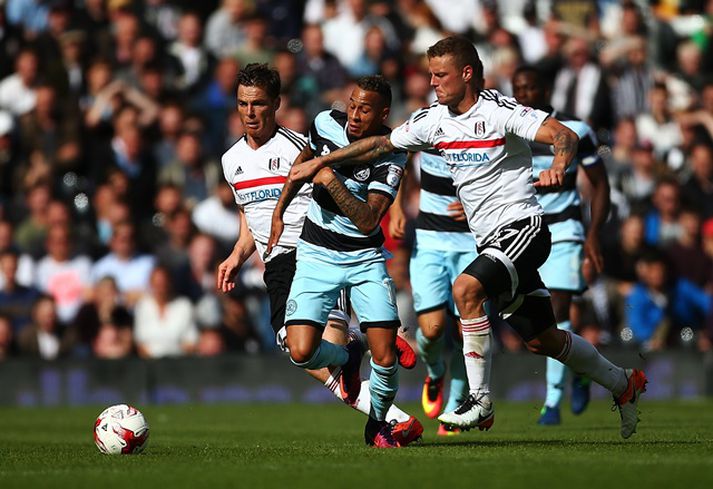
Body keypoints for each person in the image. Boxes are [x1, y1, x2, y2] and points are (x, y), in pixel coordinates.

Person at [288, 36, 647, 439]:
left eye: (440, 75)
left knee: (466, 290)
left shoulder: (498, 111)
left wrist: (561, 164)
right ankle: (624, 383)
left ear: (467, 73)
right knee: (542, 339)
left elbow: (564, 135)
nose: (433, 82)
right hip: (489, 240)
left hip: (523, 228)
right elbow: (379, 145)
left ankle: (480, 400)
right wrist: (322, 161)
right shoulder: (433, 120)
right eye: (430, 74)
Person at [216, 64, 420, 448]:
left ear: (276, 104)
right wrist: (236, 255)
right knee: (302, 350)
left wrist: (391, 208)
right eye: (243, 103)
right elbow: (252, 218)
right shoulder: (231, 161)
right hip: (275, 263)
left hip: (313, 249)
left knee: (321, 348)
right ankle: (379, 386)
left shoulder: (298, 145)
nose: (250, 112)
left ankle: (387, 416)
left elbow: (376, 159)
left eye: (258, 103)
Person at [266, 73, 412, 448]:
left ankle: (377, 424)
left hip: (364, 258)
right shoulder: (324, 123)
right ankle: (347, 354)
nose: (355, 114)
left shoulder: (392, 152)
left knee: (385, 355)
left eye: (365, 109)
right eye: (352, 104)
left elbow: (367, 220)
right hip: (316, 253)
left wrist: (330, 180)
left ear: (383, 114)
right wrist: (280, 212)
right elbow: (303, 165)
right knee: (300, 351)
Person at [511, 64, 612, 425]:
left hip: (565, 230)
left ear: (547, 89)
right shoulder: (509, 126)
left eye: (531, 87)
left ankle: (552, 402)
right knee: (538, 323)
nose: (524, 95)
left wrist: (594, 233)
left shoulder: (575, 130)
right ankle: (581, 368)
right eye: (518, 89)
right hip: (520, 230)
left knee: (557, 310)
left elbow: (600, 184)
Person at [389, 150, 473, 436]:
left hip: (474, 243)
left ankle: (457, 405)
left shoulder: (489, 121)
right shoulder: (425, 123)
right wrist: (398, 206)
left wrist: (480, 204)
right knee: (433, 328)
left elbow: (510, 173)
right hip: (430, 242)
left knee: (468, 330)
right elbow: (398, 157)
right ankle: (436, 372)